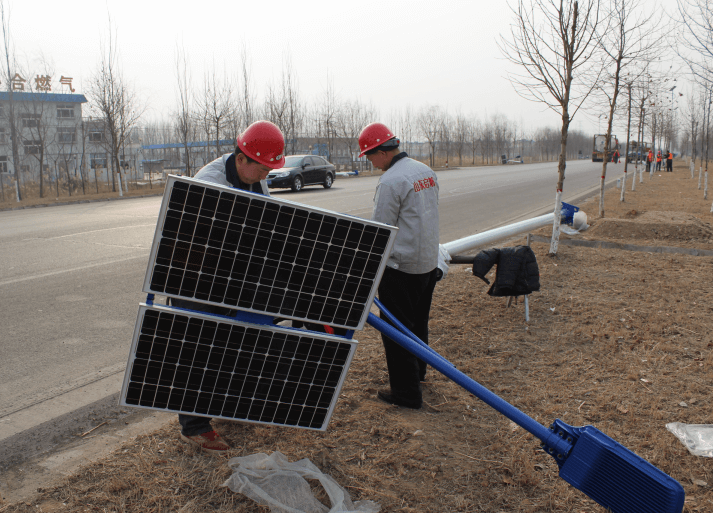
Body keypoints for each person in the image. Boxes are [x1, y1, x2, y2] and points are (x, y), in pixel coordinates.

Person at [171, 120, 285, 454]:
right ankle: (194, 427)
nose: (266, 176)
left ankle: (226, 404)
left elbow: (264, 226)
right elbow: (203, 244)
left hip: (231, 275)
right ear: (242, 159)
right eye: (263, 168)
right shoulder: (209, 185)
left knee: (234, 343)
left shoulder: (255, 182)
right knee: (197, 349)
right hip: (195, 277)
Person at [359, 122, 440, 410]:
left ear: (381, 151)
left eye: (370, 157)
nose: (371, 163)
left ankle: (406, 394)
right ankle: (418, 373)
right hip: (427, 264)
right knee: (418, 323)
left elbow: (381, 231)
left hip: (401, 269)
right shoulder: (425, 171)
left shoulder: (391, 181)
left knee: (396, 332)